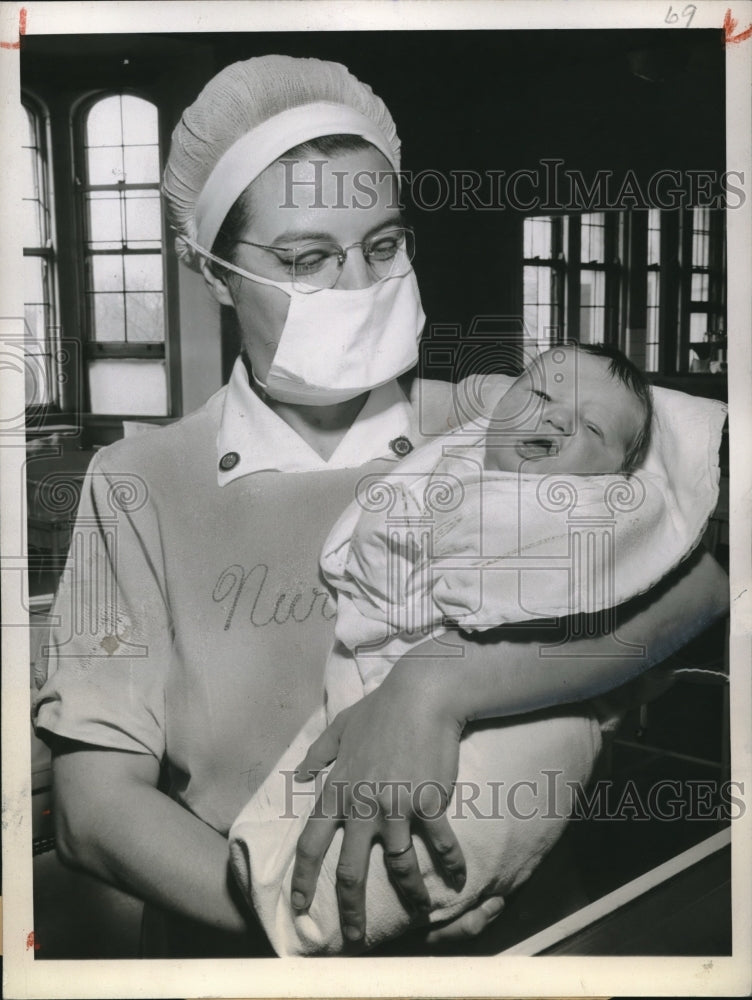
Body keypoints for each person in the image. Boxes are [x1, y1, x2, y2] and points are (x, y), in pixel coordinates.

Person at [32, 54, 729, 958]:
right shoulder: (138, 483)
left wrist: (438, 686)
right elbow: (94, 812)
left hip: (508, 940)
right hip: (247, 945)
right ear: (209, 272)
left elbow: (704, 580)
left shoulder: (495, 426)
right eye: (307, 259)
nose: (358, 285)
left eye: (383, 245)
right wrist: (307, 926)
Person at [228, 343, 727, 955]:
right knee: (297, 793)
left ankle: (336, 919)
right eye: (539, 397)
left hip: (521, 706)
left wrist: (433, 684)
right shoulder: (457, 453)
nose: (554, 419)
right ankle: (279, 890)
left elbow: (704, 583)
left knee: (465, 820)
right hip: (374, 673)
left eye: (591, 427)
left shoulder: (592, 505)